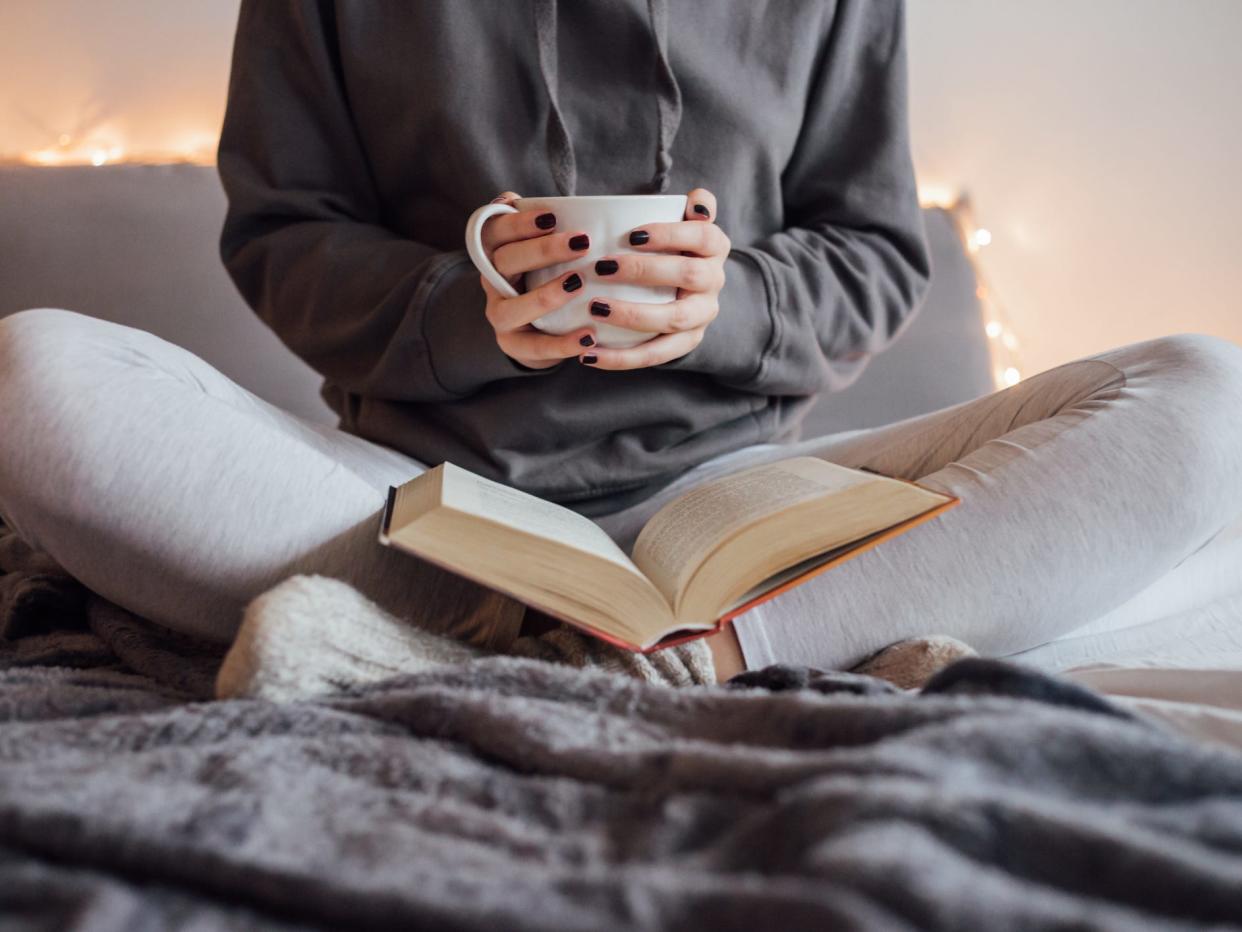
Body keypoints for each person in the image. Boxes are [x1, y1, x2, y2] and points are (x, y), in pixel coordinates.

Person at [2, 0, 1241, 685]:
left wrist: (733, 306)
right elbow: (281, 233)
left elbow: (875, 253)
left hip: (749, 507)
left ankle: (681, 654)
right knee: (29, 371)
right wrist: (465, 307)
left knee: (1204, 391)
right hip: (414, 502)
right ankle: (639, 637)